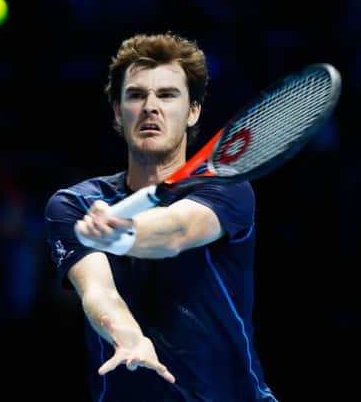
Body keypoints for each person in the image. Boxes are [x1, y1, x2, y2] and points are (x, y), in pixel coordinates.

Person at [45, 32, 278, 401]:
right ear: (118, 112)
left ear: (193, 111)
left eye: (167, 95)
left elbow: (177, 231)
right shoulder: (75, 203)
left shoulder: (226, 187)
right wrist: (129, 336)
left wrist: (120, 235)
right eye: (136, 95)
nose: (151, 106)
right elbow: (98, 291)